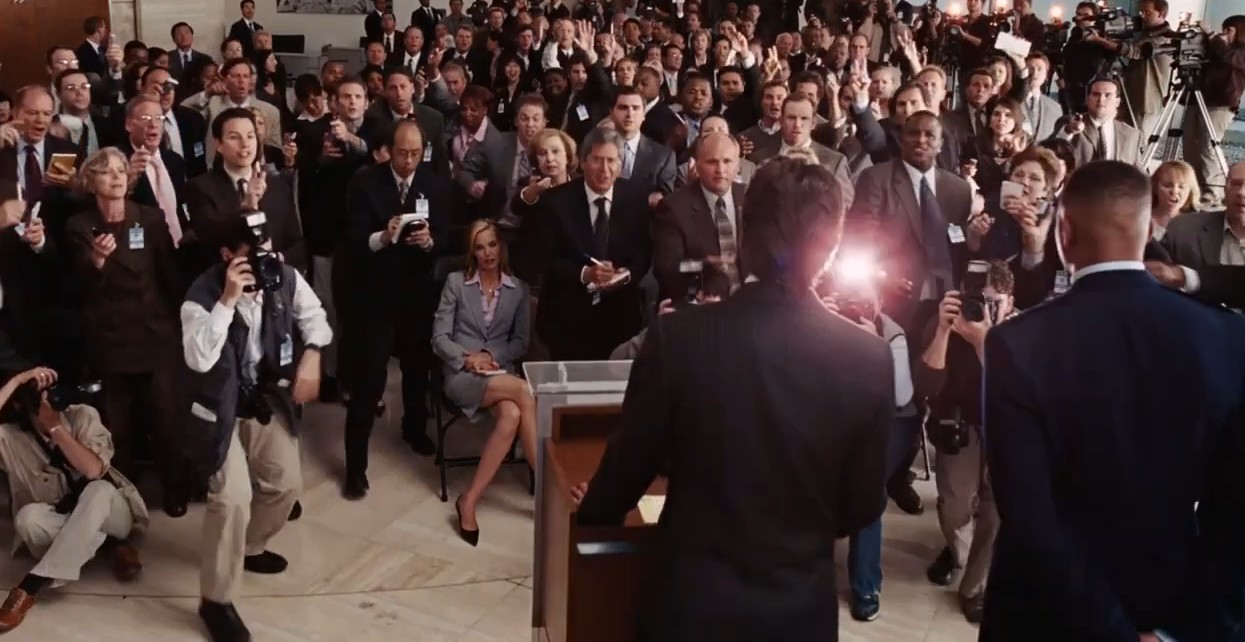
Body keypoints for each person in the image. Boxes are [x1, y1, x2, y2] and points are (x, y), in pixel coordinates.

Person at [571, 157, 893, 641]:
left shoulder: (679, 337)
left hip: (691, 607)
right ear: (832, 246)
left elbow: (627, 468)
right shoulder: (869, 357)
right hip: (797, 612)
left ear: (744, 233)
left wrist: (593, 516)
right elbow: (861, 506)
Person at [981, 160, 1245, 641]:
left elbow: (1029, 516)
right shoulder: (1226, 337)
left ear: (1063, 231)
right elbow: (1235, 513)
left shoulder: (1018, 344)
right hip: (1167, 602)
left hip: (1041, 613)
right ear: (1146, 230)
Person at [182, 214, 330, 642]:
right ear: (227, 256)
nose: (266, 264)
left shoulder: (283, 276)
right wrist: (227, 301)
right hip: (218, 408)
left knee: (286, 485)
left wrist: (313, 355)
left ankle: (246, 547)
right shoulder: (200, 296)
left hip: (264, 400)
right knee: (231, 499)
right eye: (254, 257)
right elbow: (199, 359)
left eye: (268, 251)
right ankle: (216, 601)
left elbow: (316, 317)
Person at [64, 147, 189, 517]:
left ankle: (175, 488)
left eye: (121, 170)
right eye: (106, 171)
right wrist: (97, 262)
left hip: (154, 332)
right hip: (110, 337)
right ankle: (126, 497)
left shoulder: (149, 218)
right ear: (91, 182)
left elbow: (169, 274)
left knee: (166, 418)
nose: (116, 176)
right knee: (118, 426)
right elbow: (75, 289)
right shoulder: (79, 227)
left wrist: (178, 322)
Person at [342, 119, 449, 498]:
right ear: (389, 150)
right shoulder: (365, 182)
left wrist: (430, 241)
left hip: (417, 294)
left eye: (415, 154)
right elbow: (352, 238)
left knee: (417, 369)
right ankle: (355, 468)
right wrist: (382, 237)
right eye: (402, 153)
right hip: (375, 296)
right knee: (369, 379)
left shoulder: (435, 183)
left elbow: (451, 234)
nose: (408, 161)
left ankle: (414, 429)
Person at [0, 367, 148, 633]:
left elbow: (93, 470)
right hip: (58, 519)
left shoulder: (82, 415)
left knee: (99, 490)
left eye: (51, 391)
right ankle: (109, 545)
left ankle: (32, 584)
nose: (49, 401)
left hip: (111, 513)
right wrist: (17, 381)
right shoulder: (9, 437)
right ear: (20, 404)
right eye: (39, 395)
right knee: (27, 519)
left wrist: (56, 428)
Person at [916, 260, 1015, 624]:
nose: (983, 310)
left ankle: (974, 587)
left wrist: (982, 342)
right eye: (978, 300)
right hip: (960, 427)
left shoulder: (1023, 329)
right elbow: (925, 386)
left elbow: (1014, 391)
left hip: (1006, 430)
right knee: (955, 507)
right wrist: (943, 331)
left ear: (1010, 301)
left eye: (994, 302)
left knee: (995, 512)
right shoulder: (949, 322)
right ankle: (959, 551)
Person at [430, 220, 537, 546]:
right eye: (480, 247)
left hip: (499, 372)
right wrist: (468, 359)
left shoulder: (518, 290)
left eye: (492, 245)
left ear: (501, 247)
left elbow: (520, 342)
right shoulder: (456, 283)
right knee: (524, 391)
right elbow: (439, 339)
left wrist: (490, 354)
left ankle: (469, 499)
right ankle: (552, 490)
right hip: (462, 374)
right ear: (472, 252)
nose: (487, 253)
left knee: (513, 414)